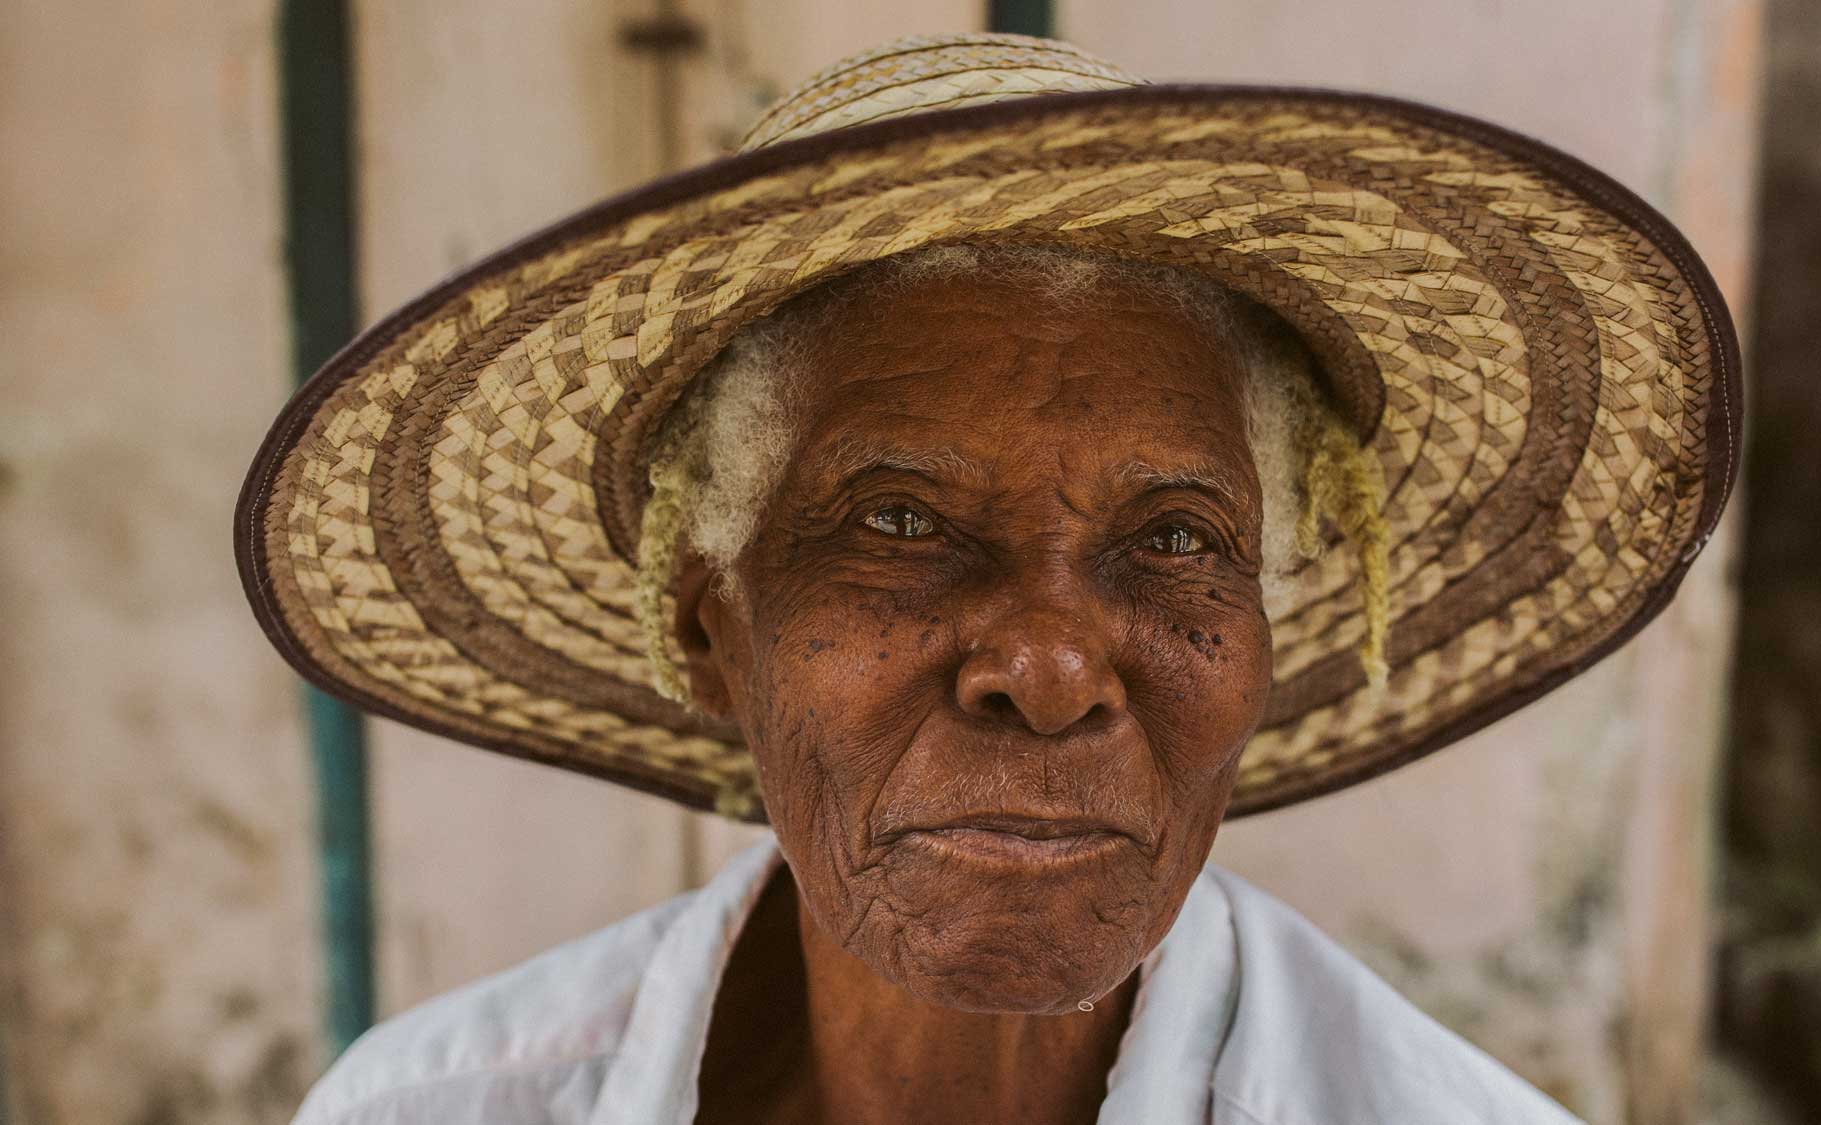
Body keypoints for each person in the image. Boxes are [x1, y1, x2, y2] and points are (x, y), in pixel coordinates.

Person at [242, 31, 1739, 1125]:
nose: (1049, 664)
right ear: (712, 626)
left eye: (1172, 540)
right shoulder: (433, 1108)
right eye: (899, 522)